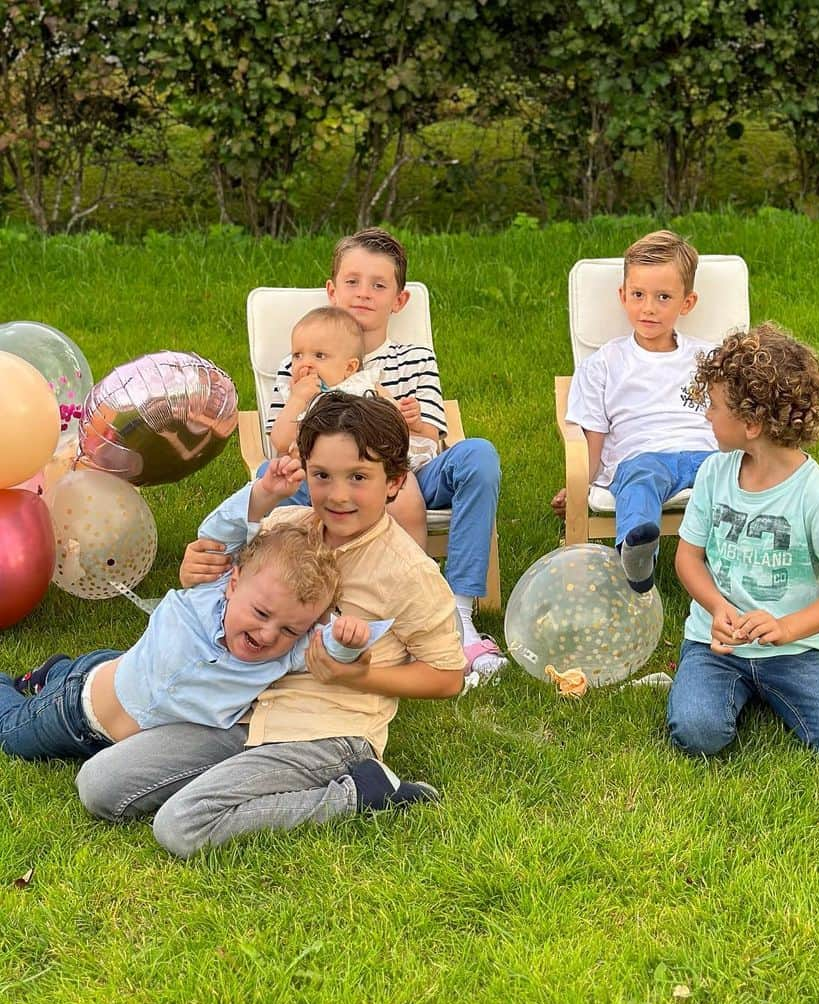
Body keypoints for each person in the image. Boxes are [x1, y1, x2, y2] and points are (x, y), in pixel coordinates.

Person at [76, 393, 467, 858]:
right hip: (241, 711)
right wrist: (194, 569)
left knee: (181, 827)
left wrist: (360, 675)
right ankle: (235, 779)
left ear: (394, 481)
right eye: (322, 476)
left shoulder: (409, 574)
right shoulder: (284, 523)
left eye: (358, 477)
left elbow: (447, 677)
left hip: (324, 732)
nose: (338, 495)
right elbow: (231, 588)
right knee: (99, 786)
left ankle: (360, 793)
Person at [254, 227, 505, 678]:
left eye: (378, 285)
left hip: (410, 469)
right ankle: (287, 599)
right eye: (352, 282)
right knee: (266, 474)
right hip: (331, 480)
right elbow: (284, 439)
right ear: (332, 291)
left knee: (478, 455)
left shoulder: (413, 357)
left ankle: (456, 608)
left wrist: (413, 421)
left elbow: (435, 438)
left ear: (399, 300)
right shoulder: (302, 362)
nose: (363, 294)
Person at [665, 324, 819, 765]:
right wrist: (716, 608)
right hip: (716, 646)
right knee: (697, 732)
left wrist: (786, 630)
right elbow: (688, 557)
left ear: (751, 424)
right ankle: (729, 686)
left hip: (795, 650)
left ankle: (773, 687)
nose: (707, 415)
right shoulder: (714, 473)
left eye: (715, 407)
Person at [0, 524, 367, 761]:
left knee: (92, 671)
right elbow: (224, 526)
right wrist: (268, 488)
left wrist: (346, 639)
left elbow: (329, 650)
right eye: (261, 613)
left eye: (290, 630)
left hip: (118, 680)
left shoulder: (288, 652)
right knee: (12, 732)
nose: (269, 634)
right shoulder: (207, 597)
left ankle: (54, 672)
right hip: (78, 712)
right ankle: (20, 683)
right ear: (233, 585)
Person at [552, 229, 718, 593]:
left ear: (686, 303)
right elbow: (592, 434)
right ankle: (637, 554)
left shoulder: (708, 358)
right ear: (622, 295)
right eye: (638, 295)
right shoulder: (604, 363)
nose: (649, 307)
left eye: (663, 297)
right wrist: (579, 483)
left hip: (706, 455)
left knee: (732, 477)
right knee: (641, 481)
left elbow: (734, 415)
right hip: (641, 457)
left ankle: (737, 563)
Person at [264, 304, 431, 549]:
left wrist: (411, 418)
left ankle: (415, 563)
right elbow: (279, 441)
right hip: (327, 476)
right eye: (297, 355)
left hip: (374, 465)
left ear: (350, 367)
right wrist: (298, 399)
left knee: (407, 500)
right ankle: (298, 561)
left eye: (319, 356)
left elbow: (394, 418)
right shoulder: (298, 396)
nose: (305, 364)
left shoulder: (363, 383)